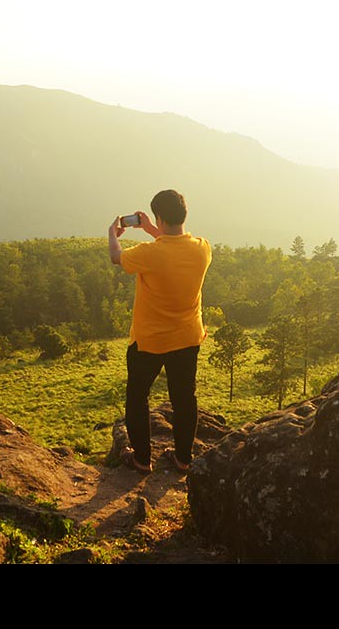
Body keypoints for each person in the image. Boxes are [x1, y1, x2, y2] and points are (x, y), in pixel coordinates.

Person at [108, 189, 212, 474]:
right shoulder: (203, 247)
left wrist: (113, 235)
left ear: (160, 217)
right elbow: (173, 248)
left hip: (150, 340)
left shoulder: (149, 254)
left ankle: (142, 459)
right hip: (188, 336)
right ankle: (183, 459)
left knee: (138, 396)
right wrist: (153, 230)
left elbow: (117, 258)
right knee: (184, 398)